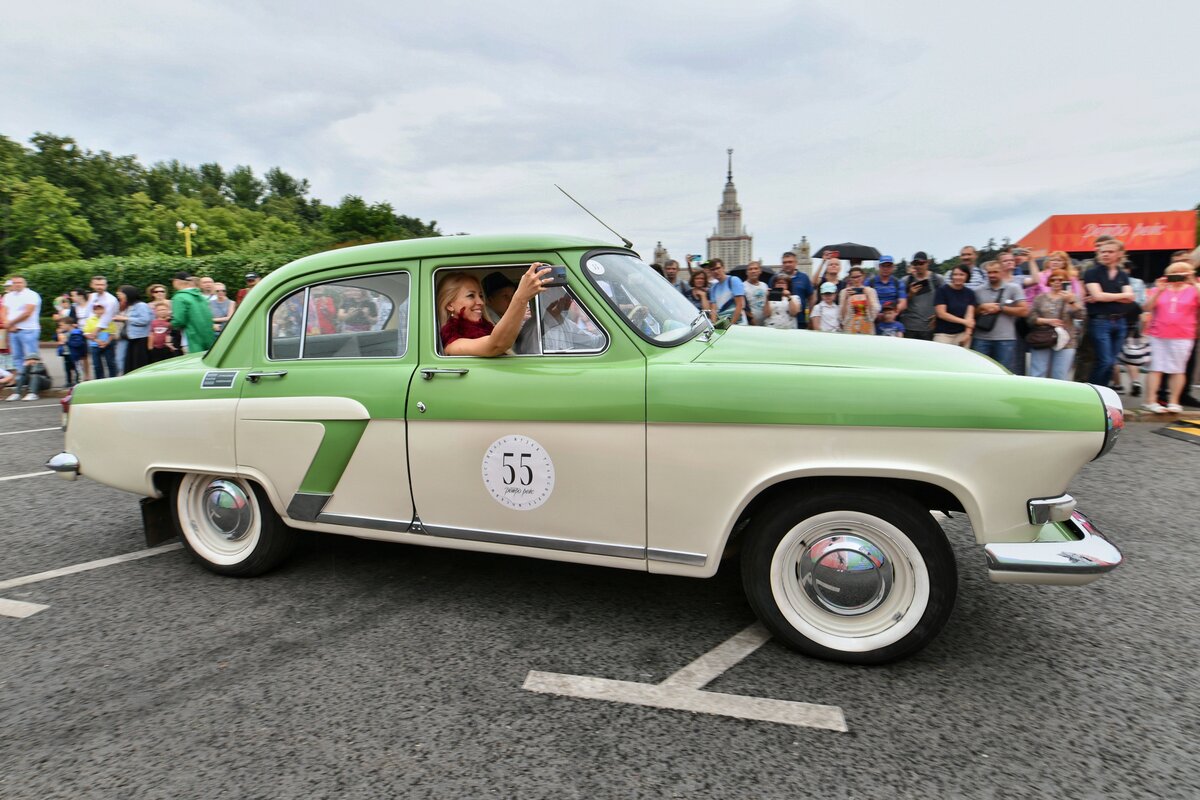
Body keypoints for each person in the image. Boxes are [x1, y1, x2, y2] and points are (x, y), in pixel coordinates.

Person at [438, 264, 551, 356]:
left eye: (481, 296)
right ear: (449, 305)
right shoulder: (452, 344)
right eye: (471, 296)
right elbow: (496, 345)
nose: (481, 302)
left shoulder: (487, 328)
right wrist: (521, 297)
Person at [1141, 262, 1199, 413]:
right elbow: (1146, 307)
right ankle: (1150, 401)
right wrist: (1159, 291)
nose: (1178, 276)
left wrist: (1193, 282)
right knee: (1156, 368)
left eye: (1182, 273)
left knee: (1178, 369)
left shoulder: (1194, 290)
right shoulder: (1159, 288)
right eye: (1174, 273)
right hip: (1158, 334)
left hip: (1183, 334)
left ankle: (1174, 401)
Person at [1083, 239, 1135, 387]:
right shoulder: (1091, 273)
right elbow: (1098, 296)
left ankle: (1103, 392)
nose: (1105, 254)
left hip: (1120, 322)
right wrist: (1120, 296)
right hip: (1100, 321)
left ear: (1119, 254)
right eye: (1103, 251)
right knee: (1104, 361)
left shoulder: (1123, 275)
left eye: (1110, 251)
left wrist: (1105, 296)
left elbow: (1130, 298)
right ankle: (1093, 391)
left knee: (1112, 362)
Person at [1027, 269, 1086, 380]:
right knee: (1038, 373)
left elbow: (1081, 316)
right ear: (1049, 282)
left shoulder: (1072, 298)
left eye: (1061, 280)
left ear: (1066, 282)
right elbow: (1030, 318)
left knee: (1059, 375)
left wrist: (1072, 302)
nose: (1057, 282)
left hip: (1066, 340)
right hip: (1043, 338)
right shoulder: (1040, 297)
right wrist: (1048, 321)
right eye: (1054, 279)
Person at [970, 261, 1026, 371]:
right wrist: (981, 308)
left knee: (1003, 372)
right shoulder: (978, 291)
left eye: (995, 272)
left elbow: (1024, 311)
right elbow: (970, 314)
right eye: (989, 272)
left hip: (1006, 339)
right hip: (981, 338)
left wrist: (1001, 308)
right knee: (979, 371)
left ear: (1002, 272)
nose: (992, 275)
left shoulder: (1013, 288)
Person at [899, 253, 944, 340]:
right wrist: (910, 294)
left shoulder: (938, 279)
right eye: (915, 264)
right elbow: (900, 304)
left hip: (929, 327)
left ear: (928, 263)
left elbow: (945, 300)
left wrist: (937, 315)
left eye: (921, 263)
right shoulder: (906, 280)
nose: (918, 266)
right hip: (909, 326)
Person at [170, 271, 217, 353]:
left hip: (191, 342)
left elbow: (179, 321)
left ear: (176, 281)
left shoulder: (179, 297)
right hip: (208, 341)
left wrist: (170, 323)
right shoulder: (201, 296)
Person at [2, 275, 42, 366]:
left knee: (31, 357)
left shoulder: (31, 295)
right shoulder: (8, 296)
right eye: (14, 283)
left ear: (24, 283)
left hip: (28, 330)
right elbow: (3, 312)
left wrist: (10, 323)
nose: (17, 285)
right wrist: (8, 324)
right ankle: (21, 379)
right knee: (16, 357)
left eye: (19, 282)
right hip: (13, 331)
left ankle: (33, 378)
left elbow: (27, 313)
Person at [934, 265, 977, 347]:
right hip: (943, 334)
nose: (958, 277)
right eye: (955, 274)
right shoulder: (942, 291)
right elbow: (941, 313)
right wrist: (964, 321)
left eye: (961, 274)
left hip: (962, 333)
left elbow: (970, 315)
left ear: (967, 276)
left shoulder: (970, 293)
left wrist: (968, 334)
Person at [114, 285, 153, 374]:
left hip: (141, 338)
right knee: (131, 364)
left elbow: (145, 320)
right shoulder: (131, 306)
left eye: (121, 293)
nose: (118, 295)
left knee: (139, 363)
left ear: (128, 294)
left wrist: (125, 319)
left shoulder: (141, 305)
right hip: (132, 338)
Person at [838, 267, 880, 335]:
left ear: (863, 276)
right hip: (850, 328)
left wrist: (867, 296)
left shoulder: (871, 291)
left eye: (858, 276)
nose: (856, 279)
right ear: (849, 278)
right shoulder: (844, 292)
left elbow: (873, 314)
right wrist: (846, 298)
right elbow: (842, 317)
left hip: (867, 328)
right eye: (853, 277)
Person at [82, 302, 118, 379]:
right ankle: (99, 380)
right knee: (97, 365)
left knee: (110, 363)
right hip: (95, 345)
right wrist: (97, 340)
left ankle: (113, 379)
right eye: (97, 309)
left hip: (108, 345)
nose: (99, 311)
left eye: (101, 309)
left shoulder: (109, 320)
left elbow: (112, 333)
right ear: (94, 311)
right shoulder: (90, 320)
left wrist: (107, 342)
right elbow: (86, 333)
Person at [777, 251, 812, 327]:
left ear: (796, 263)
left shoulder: (804, 277)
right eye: (785, 262)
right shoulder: (775, 278)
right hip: (779, 320)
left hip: (800, 320)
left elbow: (810, 298)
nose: (787, 264)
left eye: (790, 262)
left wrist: (810, 317)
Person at [708, 260, 746, 325]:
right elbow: (713, 309)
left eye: (718, 268)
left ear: (723, 268)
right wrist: (714, 325)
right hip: (722, 325)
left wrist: (731, 325)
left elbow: (740, 305)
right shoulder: (713, 288)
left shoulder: (734, 280)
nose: (715, 271)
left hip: (738, 324)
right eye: (712, 269)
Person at [55, 319, 80, 386]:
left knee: (76, 368)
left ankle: (78, 381)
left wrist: (67, 341)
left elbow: (77, 343)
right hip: (65, 353)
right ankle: (68, 382)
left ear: (68, 325)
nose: (61, 327)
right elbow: (55, 338)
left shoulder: (76, 333)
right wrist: (58, 333)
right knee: (67, 368)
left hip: (74, 354)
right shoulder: (63, 333)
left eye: (62, 325)